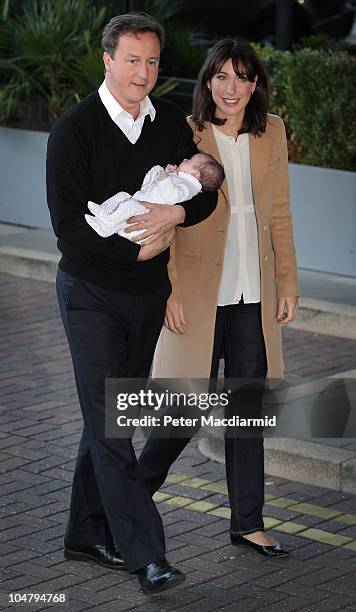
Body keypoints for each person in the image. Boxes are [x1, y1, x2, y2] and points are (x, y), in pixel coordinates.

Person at [46, 13, 217, 594]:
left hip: (148, 300)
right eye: (131, 60)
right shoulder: (75, 129)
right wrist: (139, 256)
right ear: (107, 60)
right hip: (91, 294)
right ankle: (146, 555)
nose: (142, 73)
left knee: (107, 420)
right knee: (112, 426)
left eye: (151, 62)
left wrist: (175, 214)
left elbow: (204, 193)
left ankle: (83, 531)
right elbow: (69, 227)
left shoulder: (168, 121)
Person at [139, 38, 299, 558]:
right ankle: (129, 500)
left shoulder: (271, 130)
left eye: (243, 77)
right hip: (201, 294)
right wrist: (172, 291)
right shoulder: (185, 134)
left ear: (256, 84)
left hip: (254, 294)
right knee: (183, 411)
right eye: (223, 77)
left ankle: (248, 523)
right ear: (208, 82)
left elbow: (280, 215)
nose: (233, 88)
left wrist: (289, 282)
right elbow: (168, 218)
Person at [85, 153, 224, 239]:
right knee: (123, 196)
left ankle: (107, 226)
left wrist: (165, 178)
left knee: (130, 205)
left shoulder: (189, 187)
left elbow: (171, 196)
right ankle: (104, 213)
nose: (185, 159)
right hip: (141, 205)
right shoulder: (183, 180)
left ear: (195, 174)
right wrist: (167, 173)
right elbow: (157, 185)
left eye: (190, 161)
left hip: (144, 220)